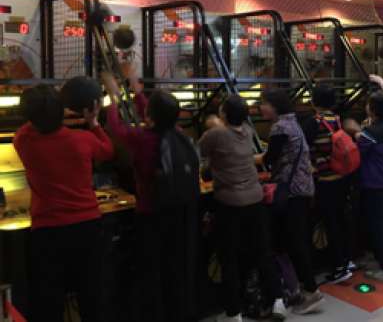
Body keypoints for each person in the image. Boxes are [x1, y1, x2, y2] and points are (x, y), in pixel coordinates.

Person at [103, 69, 199, 322]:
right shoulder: (178, 133)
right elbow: (156, 116)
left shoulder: (143, 139)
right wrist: (137, 92)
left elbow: (116, 128)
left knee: (152, 271)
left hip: (152, 215)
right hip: (181, 214)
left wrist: (113, 97)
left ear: (149, 116)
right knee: (176, 269)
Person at [14, 84, 114, 322]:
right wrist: (93, 122)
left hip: (47, 231)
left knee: (50, 300)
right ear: (63, 111)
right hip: (87, 227)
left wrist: (47, 109)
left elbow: (28, 125)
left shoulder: (23, 142)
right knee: (92, 295)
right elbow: (108, 151)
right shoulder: (83, 139)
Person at [199, 95, 285, 322]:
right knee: (263, 252)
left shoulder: (215, 134)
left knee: (228, 258)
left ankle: (233, 313)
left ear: (225, 114)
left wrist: (213, 127)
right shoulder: (247, 130)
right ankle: (277, 301)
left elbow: (200, 152)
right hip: (255, 200)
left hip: (230, 204)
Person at [256, 89, 324, 315]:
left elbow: (270, 159)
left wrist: (246, 157)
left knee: (294, 243)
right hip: (302, 188)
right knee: (293, 241)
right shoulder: (293, 122)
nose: (260, 107)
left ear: (274, 106)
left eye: (264, 103)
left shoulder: (280, 127)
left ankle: (311, 291)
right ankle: (297, 288)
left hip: (291, 191)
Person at [300, 85, 354, 283]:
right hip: (341, 176)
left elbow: (301, 149)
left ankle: (339, 267)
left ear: (314, 101)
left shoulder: (313, 122)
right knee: (341, 219)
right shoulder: (336, 119)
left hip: (324, 180)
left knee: (330, 223)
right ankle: (347, 260)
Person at [345, 91, 383, 282]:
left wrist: (353, 131)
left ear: (372, 109)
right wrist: (359, 132)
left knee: (376, 223)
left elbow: (358, 151)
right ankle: (376, 256)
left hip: (375, 183)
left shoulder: (372, 133)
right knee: (377, 220)